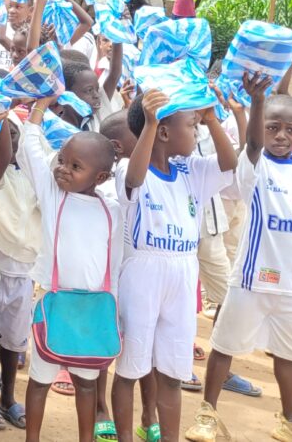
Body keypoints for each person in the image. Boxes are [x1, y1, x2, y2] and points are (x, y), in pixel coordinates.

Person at [185, 75, 292, 442]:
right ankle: (207, 415)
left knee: (287, 356)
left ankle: (290, 421)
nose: (281, 136)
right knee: (224, 348)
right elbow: (252, 144)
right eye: (273, 127)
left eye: (291, 129)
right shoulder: (256, 165)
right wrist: (257, 102)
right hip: (252, 282)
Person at [111, 90, 237, 442]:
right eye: (191, 126)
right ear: (164, 132)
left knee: (171, 370)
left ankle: (169, 437)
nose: (196, 133)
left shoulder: (190, 170)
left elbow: (229, 164)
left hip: (183, 273)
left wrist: (210, 119)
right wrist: (150, 122)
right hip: (143, 273)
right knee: (130, 367)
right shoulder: (129, 168)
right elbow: (134, 180)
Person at [22, 99, 123, 442]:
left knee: (86, 384)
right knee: (39, 382)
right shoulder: (54, 195)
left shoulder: (111, 210)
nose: (63, 169)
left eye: (75, 166)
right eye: (62, 160)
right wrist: (38, 111)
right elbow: (32, 151)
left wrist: (114, 310)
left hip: (92, 312)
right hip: (55, 305)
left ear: (101, 177)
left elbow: (114, 265)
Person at [0, 116, 39, 434]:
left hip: (24, 272)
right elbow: (1, 159)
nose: (10, 138)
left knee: (15, 341)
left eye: (14, 133)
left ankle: (8, 398)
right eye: (4, 132)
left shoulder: (34, 175)